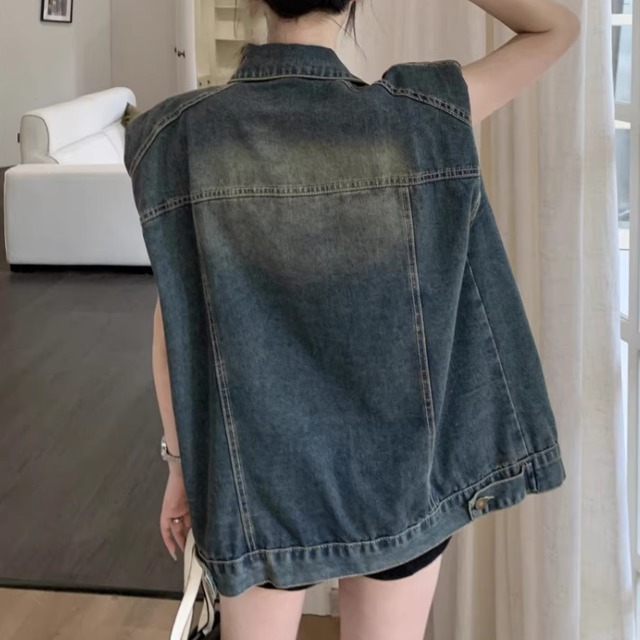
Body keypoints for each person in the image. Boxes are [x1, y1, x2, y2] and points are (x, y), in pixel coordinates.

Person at [126, 1, 579, 638]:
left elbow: (172, 325)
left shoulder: (177, 136)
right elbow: (556, 26)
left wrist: (180, 464)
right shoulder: (424, 116)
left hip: (257, 481)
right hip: (401, 477)